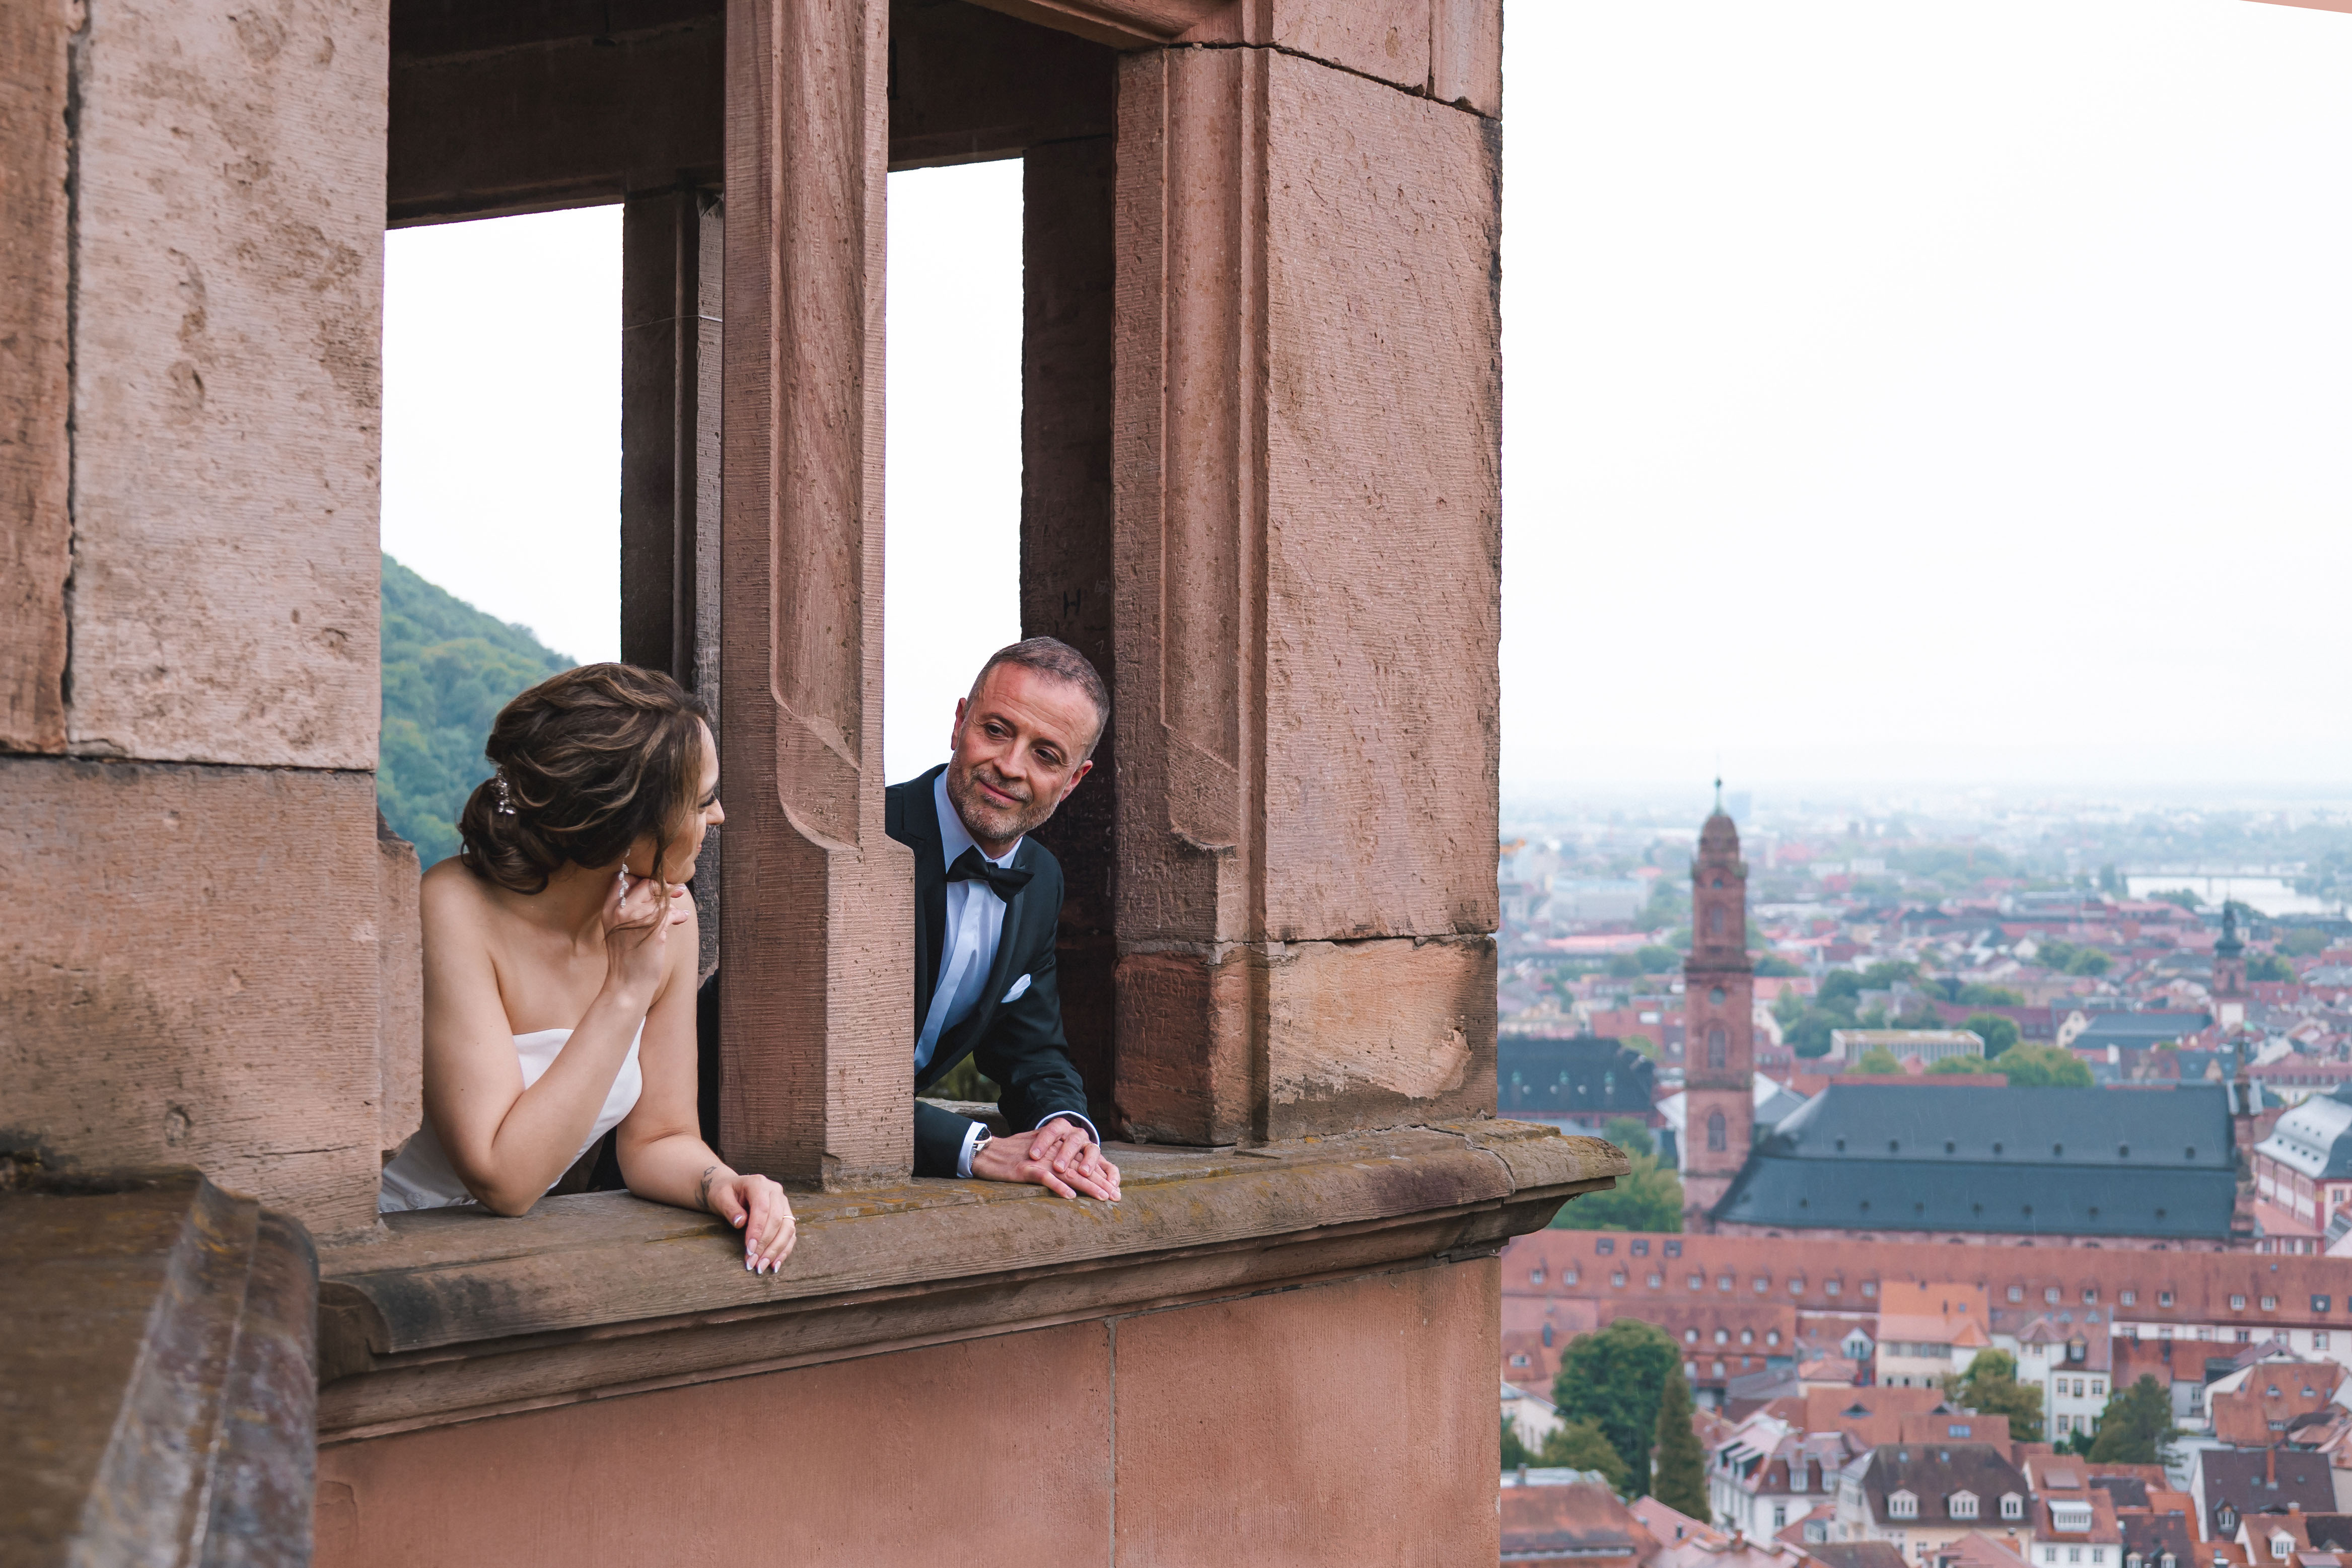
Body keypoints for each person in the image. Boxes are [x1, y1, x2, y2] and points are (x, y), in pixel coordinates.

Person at [380, 664, 797, 1274]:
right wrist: (625, 988)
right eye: (703, 800)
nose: (719, 816)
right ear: (628, 824)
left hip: (524, 1255)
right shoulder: (454, 907)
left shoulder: (673, 916)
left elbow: (659, 1138)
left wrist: (723, 1185)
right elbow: (502, 1179)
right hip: (398, 1245)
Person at [886, 638, 1122, 1201]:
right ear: (959, 723)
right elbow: (803, 1066)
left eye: (1046, 755)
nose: (1010, 767)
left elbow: (1031, 1049)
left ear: (1073, 781)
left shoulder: (1041, 879)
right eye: (996, 730)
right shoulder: (866, 836)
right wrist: (973, 1148)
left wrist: (1063, 1128)